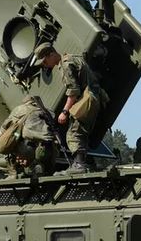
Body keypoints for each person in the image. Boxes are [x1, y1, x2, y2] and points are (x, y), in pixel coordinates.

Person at [35, 43, 108, 174]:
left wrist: (64, 112)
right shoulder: (72, 57)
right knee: (82, 132)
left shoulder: (65, 65)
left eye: (45, 61)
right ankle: (83, 163)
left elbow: (73, 91)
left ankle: (79, 165)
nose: (44, 65)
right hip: (94, 97)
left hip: (87, 98)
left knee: (73, 133)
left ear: (51, 54)